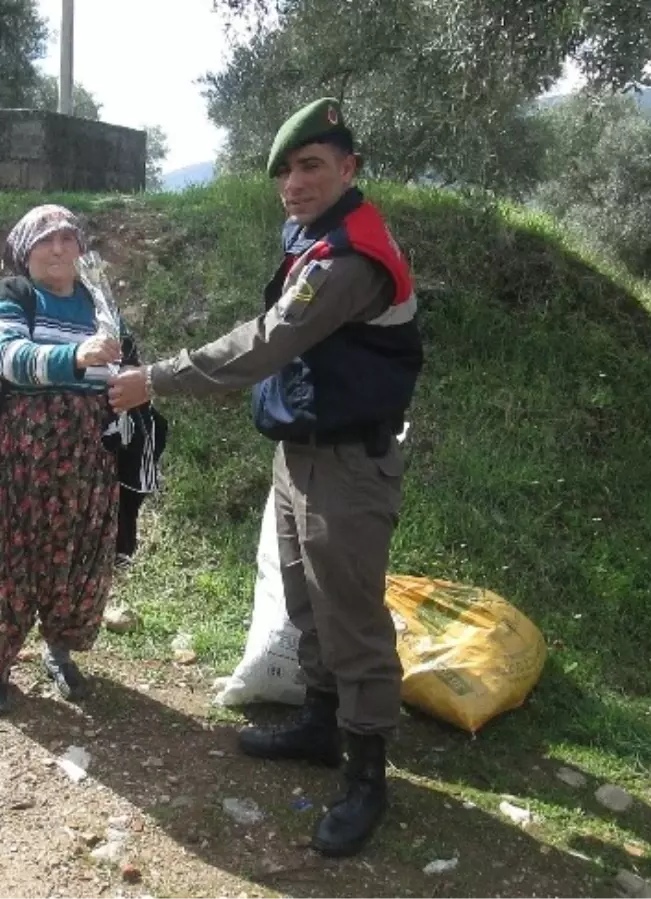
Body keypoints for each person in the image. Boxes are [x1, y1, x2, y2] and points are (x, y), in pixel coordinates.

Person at [108, 98, 423, 857]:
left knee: (352, 620)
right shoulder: (315, 236)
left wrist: (154, 378)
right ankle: (321, 725)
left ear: (349, 169)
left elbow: (266, 342)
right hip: (303, 452)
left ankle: (367, 778)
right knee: (305, 599)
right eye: (284, 170)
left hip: (347, 462)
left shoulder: (350, 257)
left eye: (311, 165)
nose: (293, 182)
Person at [0, 204, 125, 718]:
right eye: (44, 241)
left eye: (66, 239)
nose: (57, 249)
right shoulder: (12, 296)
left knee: (77, 556)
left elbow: (123, 362)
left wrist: (132, 384)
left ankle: (58, 651)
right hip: (19, 454)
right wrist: (75, 357)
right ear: (24, 252)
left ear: (80, 247)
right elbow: (3, 354)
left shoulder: (97, 301)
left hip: (87, 454)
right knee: (8, 558)